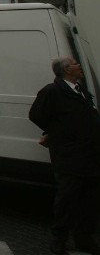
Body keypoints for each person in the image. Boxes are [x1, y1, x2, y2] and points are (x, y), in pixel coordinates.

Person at [29, 57, 100, 255]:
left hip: (90, 155)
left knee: (90, 200)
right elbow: (36, 115)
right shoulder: (52, 91)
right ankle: (59, 241)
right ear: (67, 69)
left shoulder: (80, 89)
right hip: (69, 156)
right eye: (76, 64)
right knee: (67, 200)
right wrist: (54, 132)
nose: (80, 66)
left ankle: (84, 238)